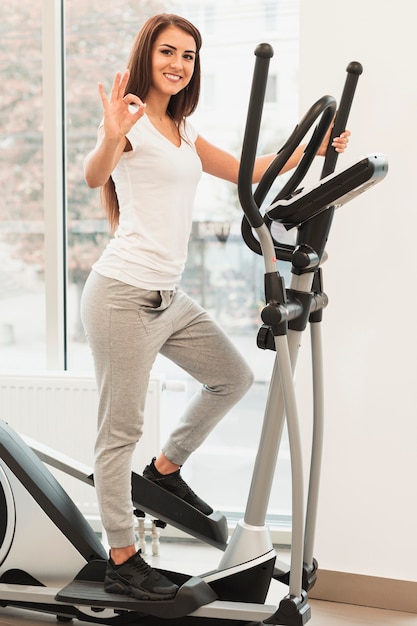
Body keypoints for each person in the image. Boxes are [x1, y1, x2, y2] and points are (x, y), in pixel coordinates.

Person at [81, 12, 350, 603]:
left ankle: (166, 470)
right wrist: (107, 135)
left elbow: (255, 172)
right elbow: (93, 174)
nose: (179, 64)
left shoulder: (184, 131)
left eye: (189, 56)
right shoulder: (129, 123)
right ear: (147, 54)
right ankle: (122, 558)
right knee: (118, 430)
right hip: (121, 296)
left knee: (232, 376)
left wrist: (315, 146)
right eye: (168, 52)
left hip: (168, 297)